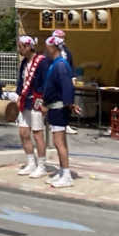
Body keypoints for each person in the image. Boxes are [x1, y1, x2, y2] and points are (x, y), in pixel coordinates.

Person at [40, 35, 79, 188]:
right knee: (59, 142)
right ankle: (63, 171)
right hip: (54, 106)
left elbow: (67, 87)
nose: (45, 50)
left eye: (47, 47)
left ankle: (66, 174)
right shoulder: (56, 63)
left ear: (52, 48)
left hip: (58, 107)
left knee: (59, 142)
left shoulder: (61, 65)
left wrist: (70, 104)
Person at [15, 35, 49, 179]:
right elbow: (20, 82)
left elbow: (46, 83)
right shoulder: (24, 62)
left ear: (28, 47)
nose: (19, 50)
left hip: (37, 101)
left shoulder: (42, 62)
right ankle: (31, 162)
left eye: (21, 47)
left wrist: (44, 102)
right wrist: (18, 96)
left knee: (37, 134)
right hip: (25, 101)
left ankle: (41, 165)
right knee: (23, 132)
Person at [53, 29, 78, 135]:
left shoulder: (66, 51)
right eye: (61, 37)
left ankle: (66, 124)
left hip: (66, 80)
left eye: (63, 37)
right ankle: (53, 123)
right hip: (55, 80)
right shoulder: (51, 51)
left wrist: (73, 77)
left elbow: (71, 64)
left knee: (67, 101)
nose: (62, 40)